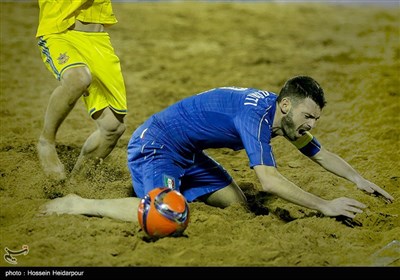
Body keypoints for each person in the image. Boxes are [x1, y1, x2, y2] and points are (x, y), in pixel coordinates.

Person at [39, 76, 394, 223]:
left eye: (315, 119)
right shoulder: (255, 118)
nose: (310, 126)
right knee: (167, 216)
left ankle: (173, 187)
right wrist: (325, 205)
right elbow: (268, 181)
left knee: (239, 208)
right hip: (156, 145)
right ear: (286, 106)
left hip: (189, 153)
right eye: (307, 116)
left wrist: (358, 178)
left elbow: (319, 152)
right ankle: (77, 204)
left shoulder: (281, 117)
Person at [36, 0, 127, 181]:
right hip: (61, 32)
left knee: (113, 127)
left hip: (99, 41)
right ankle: (46, 141)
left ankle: (75, 185)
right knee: (78, 79)